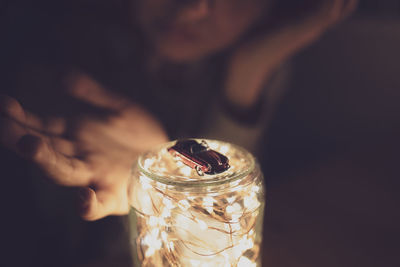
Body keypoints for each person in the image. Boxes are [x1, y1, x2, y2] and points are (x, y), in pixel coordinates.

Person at [0, 0, 357, 223]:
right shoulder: (65, 44)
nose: (192, 9)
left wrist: (247, 75)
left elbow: (224, 211)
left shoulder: (256, 65)